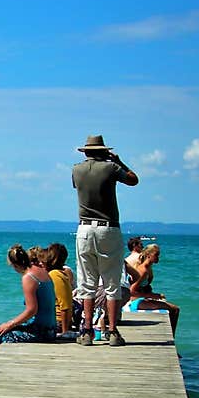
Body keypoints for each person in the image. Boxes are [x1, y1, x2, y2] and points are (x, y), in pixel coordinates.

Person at [71, 134, 138, 346]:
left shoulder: (76, 170)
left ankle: (87, 331)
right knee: (111, 282)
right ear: (104, 151)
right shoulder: (111, 168)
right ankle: (112, 331)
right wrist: (117, 161)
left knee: (86, 282)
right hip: (108, 228)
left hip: (83, 228)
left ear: (86, 151)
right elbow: (134, 180)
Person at [0, 244, 57, 352]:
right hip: (51, 329)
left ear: (14, 265)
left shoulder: (28, 277)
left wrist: (9, 324)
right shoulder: (42, 271)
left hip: (42, 332)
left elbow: (32, 310)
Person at [128, 243, 181, 336]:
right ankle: (171, 337)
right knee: (175, 309)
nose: (158, 257)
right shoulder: (143, 270)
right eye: (156, 255)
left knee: (173, 308)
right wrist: (152, 296)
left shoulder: (148, 269)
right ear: (148, 255)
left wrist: (153, 295)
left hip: (142, 300)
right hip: (136, 302)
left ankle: (171, 336)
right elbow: (131, 291)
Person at [45, 243, 77, 339]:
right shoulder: (59, 273)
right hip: (57, 320)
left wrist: (65, 331)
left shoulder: (55, 275)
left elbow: (65, 305)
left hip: (58, 322)